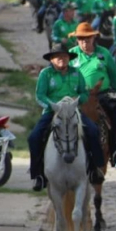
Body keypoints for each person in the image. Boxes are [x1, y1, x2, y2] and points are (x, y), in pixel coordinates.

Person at [28, 47, 105, 191]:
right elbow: (40, 95)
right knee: (34, 137)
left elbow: (84, 93)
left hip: (73, 111)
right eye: (58, 57)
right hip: (53, 111)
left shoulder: (76, 72)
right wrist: (53, 105)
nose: (62, 59)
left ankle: (95, 168)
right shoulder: (46, 74)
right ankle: (37, 174)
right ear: (51, 59)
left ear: (69, 58)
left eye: (64, 56)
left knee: (94, 131)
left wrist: (79, 99)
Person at [68, 23, 116, 162]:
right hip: (80, 96)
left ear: (94, 38)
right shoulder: (71, 54)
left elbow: (115, 77)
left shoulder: (104, 53)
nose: (84, 41)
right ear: (77, 39)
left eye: (87, 38)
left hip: (103, 95)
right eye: (81, 38)